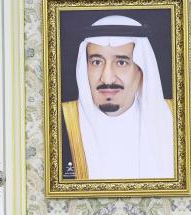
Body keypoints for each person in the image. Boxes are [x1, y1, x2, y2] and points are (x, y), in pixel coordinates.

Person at [60, 14, 174, 180]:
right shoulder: (60, 123)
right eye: (97, 62)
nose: (107, 78)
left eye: (121, 62)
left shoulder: (174, 120)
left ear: (141, 70)